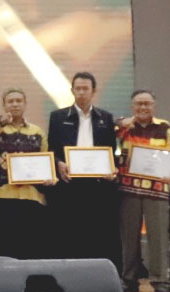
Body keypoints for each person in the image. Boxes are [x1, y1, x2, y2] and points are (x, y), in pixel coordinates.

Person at [47, 71, 120, 266]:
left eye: (85, 88)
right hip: (69, 183)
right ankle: (69, 271)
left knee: (96, 231)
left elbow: (111, 150)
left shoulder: (106, 117)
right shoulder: (57, 117)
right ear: (72, 90)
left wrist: (111, 169)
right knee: (69, 230)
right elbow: (51, 149)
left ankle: (96, 272)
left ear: (93, 91)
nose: (81, 92)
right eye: (77, 88)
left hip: (97, 185)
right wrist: (58, 163)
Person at [0, 89, 52, 259]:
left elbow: (45, 159)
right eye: (10, 101)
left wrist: (48, 178)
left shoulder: (37, 131)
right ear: (4, 105)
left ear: (25, 104)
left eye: (18, 101)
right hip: (3, 195)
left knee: (30, 246)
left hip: (32, 196)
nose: (15, 104)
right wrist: (1, 121)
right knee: (4, 247)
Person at [115, 90, 170, 292]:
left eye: (147, 103)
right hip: (129, 189)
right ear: (132, 106)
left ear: (154, 106)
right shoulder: (124, 128)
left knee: (158, 236)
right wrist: (121, 122)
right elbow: (105, 132)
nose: (143, 107)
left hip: (158, 189)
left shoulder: (165, 127)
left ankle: (160, 280)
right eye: (139, 104)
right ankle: (129, 279)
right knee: (129, 237)